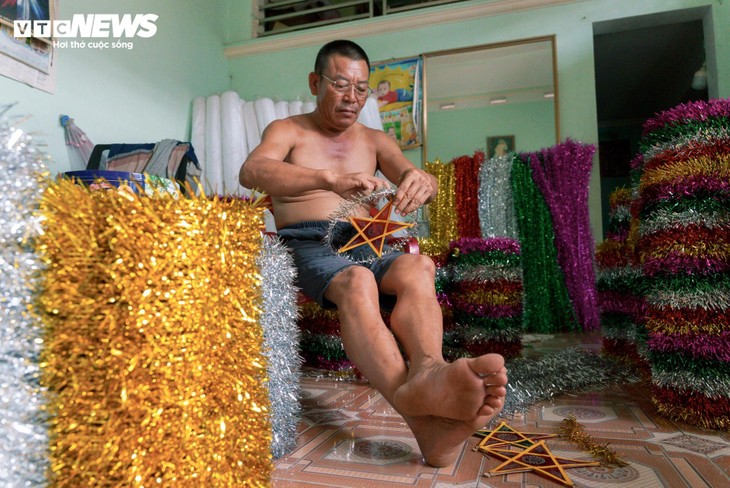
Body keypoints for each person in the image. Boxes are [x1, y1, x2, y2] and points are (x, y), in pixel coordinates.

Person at [239, 39, 507, 468]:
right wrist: (328, 179)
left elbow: (411, 173)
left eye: (361, 88)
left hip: (366, 241)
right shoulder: (287, 130)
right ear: (315, 83)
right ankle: (417, 407)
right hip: (310, 242)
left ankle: (429, 373)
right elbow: (252, 171)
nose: (352, 97)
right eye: (340, 84)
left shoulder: (375, 139)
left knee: (418, 265)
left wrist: (423, 182)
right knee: (358, 280)